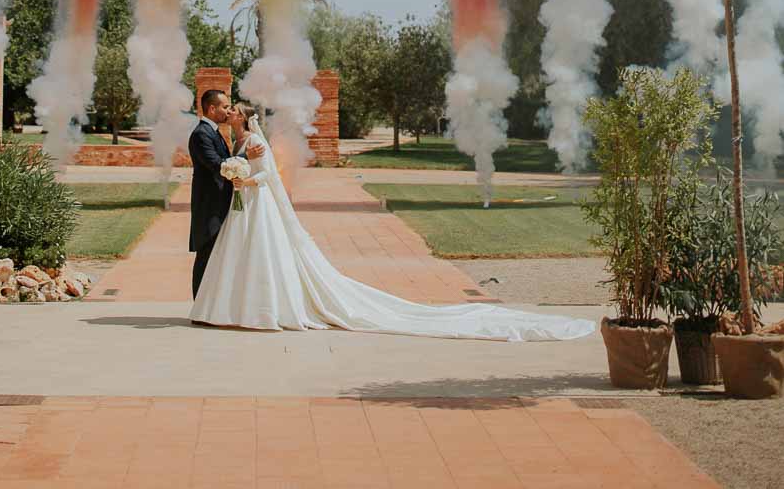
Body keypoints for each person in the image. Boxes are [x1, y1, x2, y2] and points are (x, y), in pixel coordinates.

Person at [190, 105, 595, 343]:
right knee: (243, 257)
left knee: (264, 258)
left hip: (257, 203)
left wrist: (246, 177)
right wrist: (236, 173)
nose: (230, 115)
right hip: (246, 208)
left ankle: (263, 309)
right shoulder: (236, 142)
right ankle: (237, 307)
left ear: (243, 120)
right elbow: (235, 162)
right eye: (228, 111)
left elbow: (270, 175)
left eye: (234, 112)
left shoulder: (254, 142)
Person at [187, 88, 264, 298]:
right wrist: (245, 156)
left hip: (220, 204)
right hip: (209, 205)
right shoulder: (201, 134)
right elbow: (218, 165)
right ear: (212, 109)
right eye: (224, 106)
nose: (227, 110)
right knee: (206, 254)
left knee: (216, 255)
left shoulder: (214, 132)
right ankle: (200, 305)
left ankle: (210, 305)